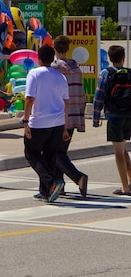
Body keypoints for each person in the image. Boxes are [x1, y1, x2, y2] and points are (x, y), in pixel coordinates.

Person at [23, 45, 69, 203]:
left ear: (38, 58)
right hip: (57, 122)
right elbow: (65, 102)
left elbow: (29, 98)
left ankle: (51, 183)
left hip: (39, 122)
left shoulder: (34, 74)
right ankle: (45, 192)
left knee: (32, 154)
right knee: (49, 156)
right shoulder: (60, 76)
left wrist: (25, 120)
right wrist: (64, 126)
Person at [51, 35, 89, 197]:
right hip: (74, 114)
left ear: (54, 48)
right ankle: (60, 186)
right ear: (68, 49)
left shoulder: (54, 69)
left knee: (55, 153)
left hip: (59, 115)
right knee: (60, 151)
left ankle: (78, 177)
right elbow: (81, 94)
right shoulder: (76, 68)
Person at [93, 45, 131, 196]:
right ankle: (129, 181)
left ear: (109, 58)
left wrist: (96, 119)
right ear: (123, 57)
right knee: (123, 149)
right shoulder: (129, 73)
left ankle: (125, 187)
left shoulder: (106, 73)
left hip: (114, 115)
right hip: (129, 115)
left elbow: (99, 97)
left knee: (118, 152)